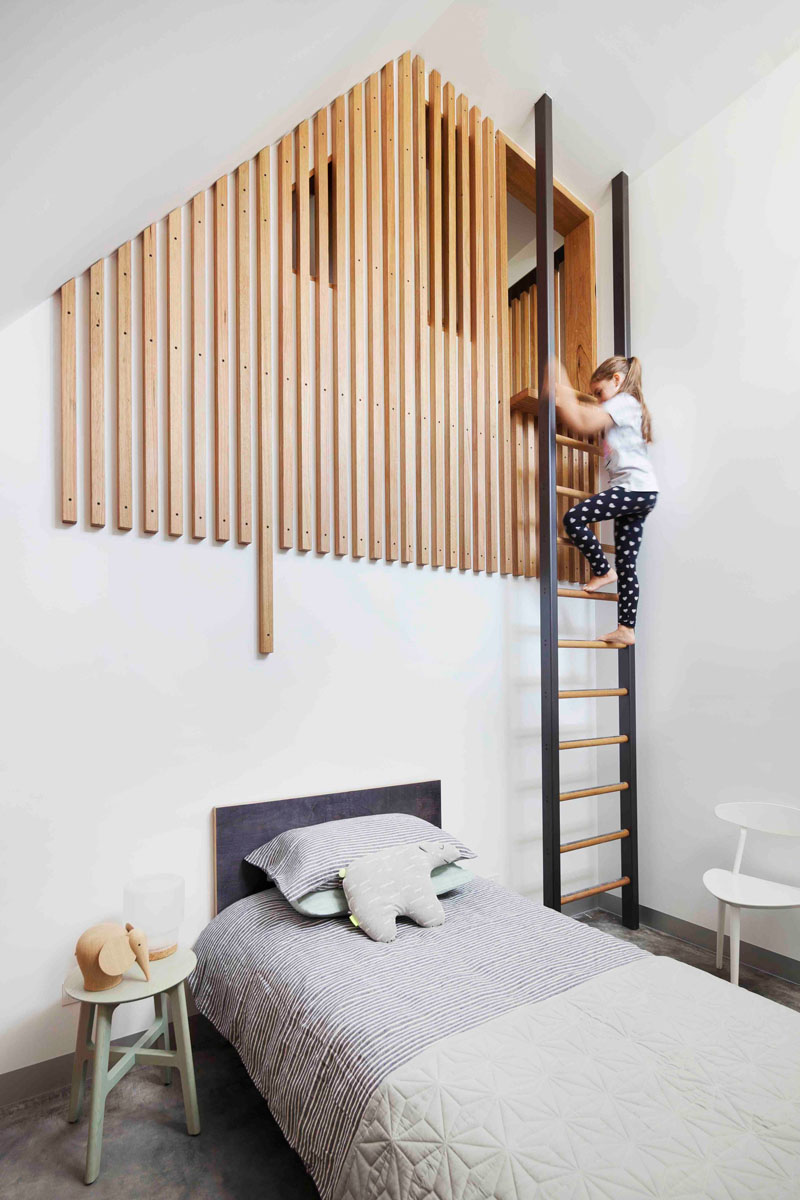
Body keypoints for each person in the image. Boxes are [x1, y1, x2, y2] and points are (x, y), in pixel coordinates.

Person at [553, 355, 658, 646]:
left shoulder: (624, 401)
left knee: (573, 518)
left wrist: (561, 386)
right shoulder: (624, 408)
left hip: (633, 489)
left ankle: (602, 569)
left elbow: (583, 421)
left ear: (616, 380)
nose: (599, 401)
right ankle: (626, 628)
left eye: (599, 393)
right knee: (628, 565)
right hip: (642, 492)